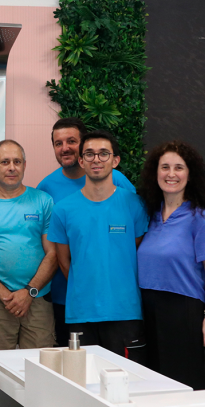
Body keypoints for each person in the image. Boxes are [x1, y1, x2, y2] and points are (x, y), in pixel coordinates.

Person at [47, 130, 149, 363]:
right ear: (81, 161)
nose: (96, 159)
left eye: (104, 154)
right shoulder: (62, 209)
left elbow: (135, 250)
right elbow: (64, 261)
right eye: (89, 154)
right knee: (82, 380)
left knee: (126, 380)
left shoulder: (135, 204)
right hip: (81, 313)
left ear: (115, 160)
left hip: (125, 312)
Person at [36, 117, 135, 347]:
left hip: (114, 301)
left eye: (71, 141)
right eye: (58, 143)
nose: (65, 148)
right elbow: (55, 248)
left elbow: (133, 239)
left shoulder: (117, 180)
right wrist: (81, 283)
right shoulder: (46, 188)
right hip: (67, 298)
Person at [137, 141, 205, 389]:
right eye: (165, 167)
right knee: (152, 382)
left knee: (181, 383)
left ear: (190, 174)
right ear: (155, 172)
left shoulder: (200, 219)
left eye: (179, 168)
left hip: (183, 310)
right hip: (147, 307)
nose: (171, 174)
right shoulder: (150, 216)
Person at [0, 140, 57, 353]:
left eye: (17, 161)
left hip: (37, 301)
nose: (12, 167)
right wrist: (6, 295)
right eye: (5, 162)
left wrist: (29, 292)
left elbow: (53, 254)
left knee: (40, 367)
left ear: (24, 165)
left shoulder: (43, 201)